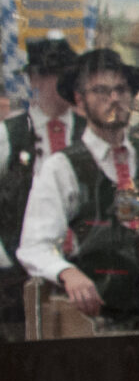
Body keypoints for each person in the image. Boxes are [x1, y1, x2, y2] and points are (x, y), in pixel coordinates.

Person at [16, 48, 139, 332]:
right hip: (95, 323)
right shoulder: (62, 167)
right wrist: (67, 272)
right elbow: (33, 246)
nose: (114, 99)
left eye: (121, 90)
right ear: (79, 101)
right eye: (101, 91)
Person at [2, 36, 85, 266]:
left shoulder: (88, 132)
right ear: (35, 79)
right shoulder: (9, 134)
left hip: (82, 268)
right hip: (18, 269)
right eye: (59, 76)